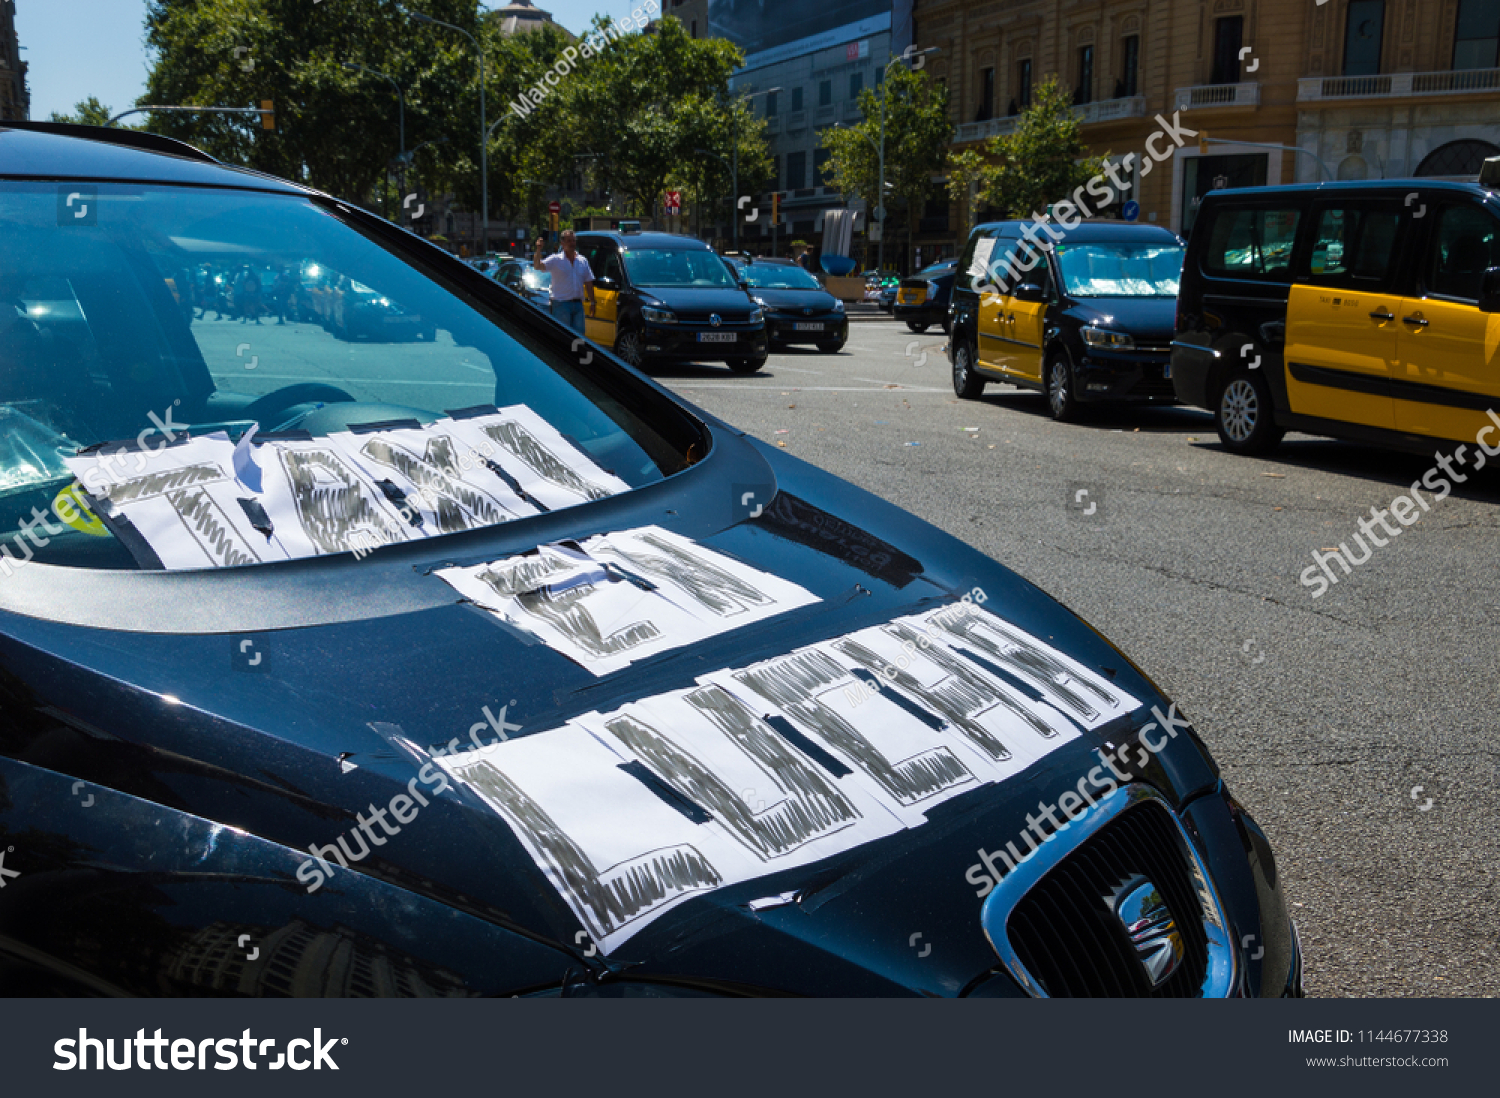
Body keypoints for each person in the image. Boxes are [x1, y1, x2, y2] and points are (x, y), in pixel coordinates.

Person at [532, 230, 595, 335]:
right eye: (569, 241)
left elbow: (589, 282)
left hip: (578, 305)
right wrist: (538, 249)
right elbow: (537, 266)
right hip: (561, 304)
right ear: (562, 243)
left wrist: (592, 302)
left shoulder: (583, 260)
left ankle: (575, 352)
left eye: (573, 241)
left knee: (579, 340)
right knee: (563, 337)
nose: (572, 243)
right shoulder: (556, 259)